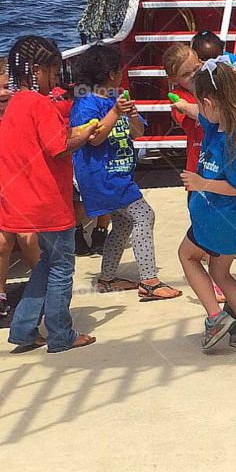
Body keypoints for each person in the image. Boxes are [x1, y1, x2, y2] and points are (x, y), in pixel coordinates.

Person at [0, 36, 97, 352]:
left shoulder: (15, 104)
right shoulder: (41, 104)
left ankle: (24, 330)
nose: (56, 80)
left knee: (44, 266)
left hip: (22, 203)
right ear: (37, 70)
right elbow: (59, 146)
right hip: (48, 204)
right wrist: (85, 133)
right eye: (54, 74)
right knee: (61, 270)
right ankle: (61, 334)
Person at [69, 43, 181, 301]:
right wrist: (115, 111)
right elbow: (94, 139)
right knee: (144, 216)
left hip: (119, 175)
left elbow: (139, 133)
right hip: (104, 178)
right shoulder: (86, 105)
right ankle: (150, 281)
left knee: (122, 224)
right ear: (111, 73)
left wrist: (129, 115)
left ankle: (107, 279)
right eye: (119, 70)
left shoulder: (115, 99)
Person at [165, 41, 236, 295]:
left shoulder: (215, 82)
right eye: (185, 74)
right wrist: (215, 97)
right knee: (204, 222)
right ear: (173, 80)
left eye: (196, 68)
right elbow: (199, 114)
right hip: (202, 167)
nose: (193, 76)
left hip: (233, 160)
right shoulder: (183, 98)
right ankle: (216, 275)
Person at [176, 58, 236, 353]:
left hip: (222, 221)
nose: (199, 111)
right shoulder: (224, 119)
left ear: (209, 102)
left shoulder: (234, 138)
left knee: (187, 256)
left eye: (200, 105)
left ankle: (215, 318)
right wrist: (183, 104)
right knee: (221, 273)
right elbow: (196, 112)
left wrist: (201, 183)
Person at [0, 56, 40, 320]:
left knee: (28, 237)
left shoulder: (20, 114)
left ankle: (47, 287)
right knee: (3, 243)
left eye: (6, 86)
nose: (4, 93)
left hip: (21, 188)